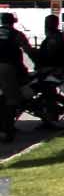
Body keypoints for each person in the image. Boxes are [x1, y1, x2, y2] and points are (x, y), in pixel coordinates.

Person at [0, 13, 28, 144]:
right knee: (12, 100)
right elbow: (28, 49)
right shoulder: (16, 34)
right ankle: (8, 130)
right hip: (7, 67)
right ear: (13, 22)